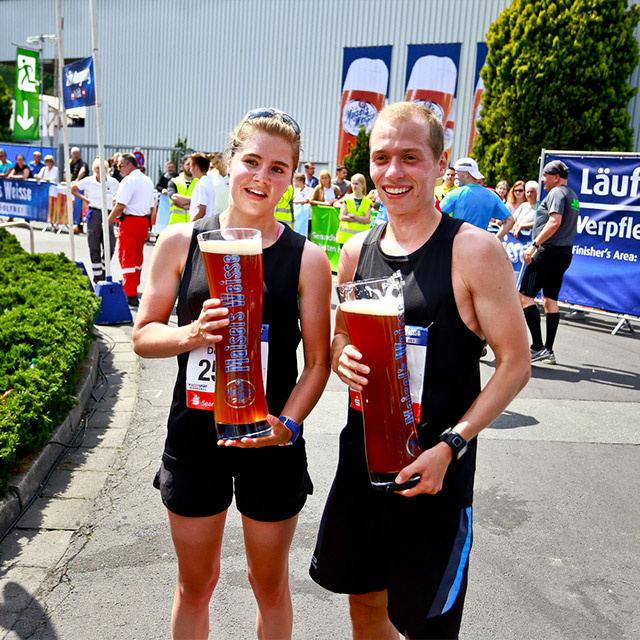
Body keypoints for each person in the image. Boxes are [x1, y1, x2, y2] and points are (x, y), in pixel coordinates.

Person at [309, 102, 530, 640]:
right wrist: (341, 355)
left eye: (410, 157)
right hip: (362, 462)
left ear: (439, 163)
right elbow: (341, 335)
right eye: (381, 158)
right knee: (364, 603)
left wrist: (452, 444)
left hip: (435, 473)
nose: (393, 172)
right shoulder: (357, 248)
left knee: (427, 627)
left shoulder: (472, 250)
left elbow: (516, 363)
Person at [131, 107, 331, 640]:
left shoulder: (307, 258)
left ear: (293, 178)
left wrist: (286, 426)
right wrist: (191, 335)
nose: (262, 178)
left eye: (279, 169)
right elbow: (143, 336)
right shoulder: (180, 243)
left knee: (268, 584)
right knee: (196, 585)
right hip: (196, 439)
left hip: (272, 441)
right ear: (228, 162)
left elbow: (317, 363)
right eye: (252, 162)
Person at [520, 160, 579, 365]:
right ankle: (549, 350)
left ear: (555, 177)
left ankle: (537, 347)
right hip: (563, 253)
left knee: (525, 297)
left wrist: (534, 244)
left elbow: (555, 221)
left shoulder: (556, 193)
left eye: (545, 176)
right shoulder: (572, 195)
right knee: (549, 300)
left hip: (548, 252)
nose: (542, 180)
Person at [109, 153, 155, 307]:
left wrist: (107, 220)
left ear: (130, 165)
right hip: (143, 221)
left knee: (126, 257)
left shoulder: (129, 181)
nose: (119, 169)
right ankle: (132, 286)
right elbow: (151, 207)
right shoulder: (147, 180)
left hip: (129, 221)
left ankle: (130, 293)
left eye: (120, 165)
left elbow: (120, 205)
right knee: (137, 258)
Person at [440, 157, 515, 240]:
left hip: (459, 245)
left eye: (457, 174)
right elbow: (510, 220)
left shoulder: (455, 194)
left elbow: (435, 216)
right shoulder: (492, 195)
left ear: (466, 173)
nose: (455, 177)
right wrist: (496, 239)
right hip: (481, 246)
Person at [72, 158, 119, 283]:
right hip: (95, 213)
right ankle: (98, 276)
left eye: (103, 168)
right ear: (94, 169)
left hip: (107, 213)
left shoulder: (113, 182)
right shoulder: (89, 181)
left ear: (107, 170)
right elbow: (73, 188)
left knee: (110, 243)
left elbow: (120, 193)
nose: (100, 171)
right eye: (97, 168)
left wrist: (114, 200)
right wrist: (85, 199)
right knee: (94, 244)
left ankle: (104, 269)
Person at [336, 172, 372, 246]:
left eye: (357, 184)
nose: (354, 186)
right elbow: (342, 217)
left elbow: (367, 219)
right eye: (353, 183)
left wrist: (353, 216)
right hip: (345, 237)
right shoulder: (347, 199)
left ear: (363, 185)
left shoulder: (368, 201)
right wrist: (360, 219)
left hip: (361, 238)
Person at [167, 155, 198, 225]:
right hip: (176, 223)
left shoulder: (199, 182)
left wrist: (182, 203)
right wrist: (194, 201)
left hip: (193, 224)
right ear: (182, 165)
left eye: (192, 165)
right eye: (188, 164)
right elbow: (175, 197)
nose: (190, 167)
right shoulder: (174, 181)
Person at [188, 153, 216, 221]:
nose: (190, 170)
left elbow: (202, 210)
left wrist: (190, 225)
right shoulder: (209, 182)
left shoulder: (200, 184)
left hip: (200, 226)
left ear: (196, 167)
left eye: (191, 166)